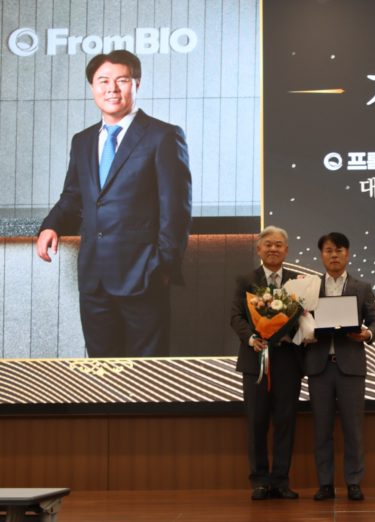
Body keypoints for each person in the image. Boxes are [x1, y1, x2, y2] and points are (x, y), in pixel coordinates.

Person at [36, 49, 192, 358]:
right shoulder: (82, 140)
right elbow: (73, 196)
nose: (112, 88)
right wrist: (50, 225)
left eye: (122, 80)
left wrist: (162, 266)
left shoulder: (163, 136)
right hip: (94, 278)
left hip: (143, 275)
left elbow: (176, 209)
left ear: (137, 84)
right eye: (103, 81)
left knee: (146, 368)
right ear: (92, 87)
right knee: (101, 366)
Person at [305, 232, 375, 502]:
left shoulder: (362, 288)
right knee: (321, 429)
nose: (334, 255)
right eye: (328, 250)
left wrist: (367, 334)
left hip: (350, 368)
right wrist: (305, 331)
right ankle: (325, 484)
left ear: (347, 254)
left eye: (339, 250)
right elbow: (299, 319)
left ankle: (354, 482)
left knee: (353, 428)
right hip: (319, 367)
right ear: (321, 255)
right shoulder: (310, 287)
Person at [229, 226, 304, 500]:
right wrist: (252, 339)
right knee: (256, 423)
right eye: (268, 244)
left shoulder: (298, 282)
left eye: (279, 244)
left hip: (288, 363)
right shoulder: (246, 280)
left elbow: (306, 318)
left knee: (286, 423)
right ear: (259, 249)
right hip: (256, 362)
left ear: (287, 250)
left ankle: (281, 481)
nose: (273, 249)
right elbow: (236, 317)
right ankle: (259, 481)